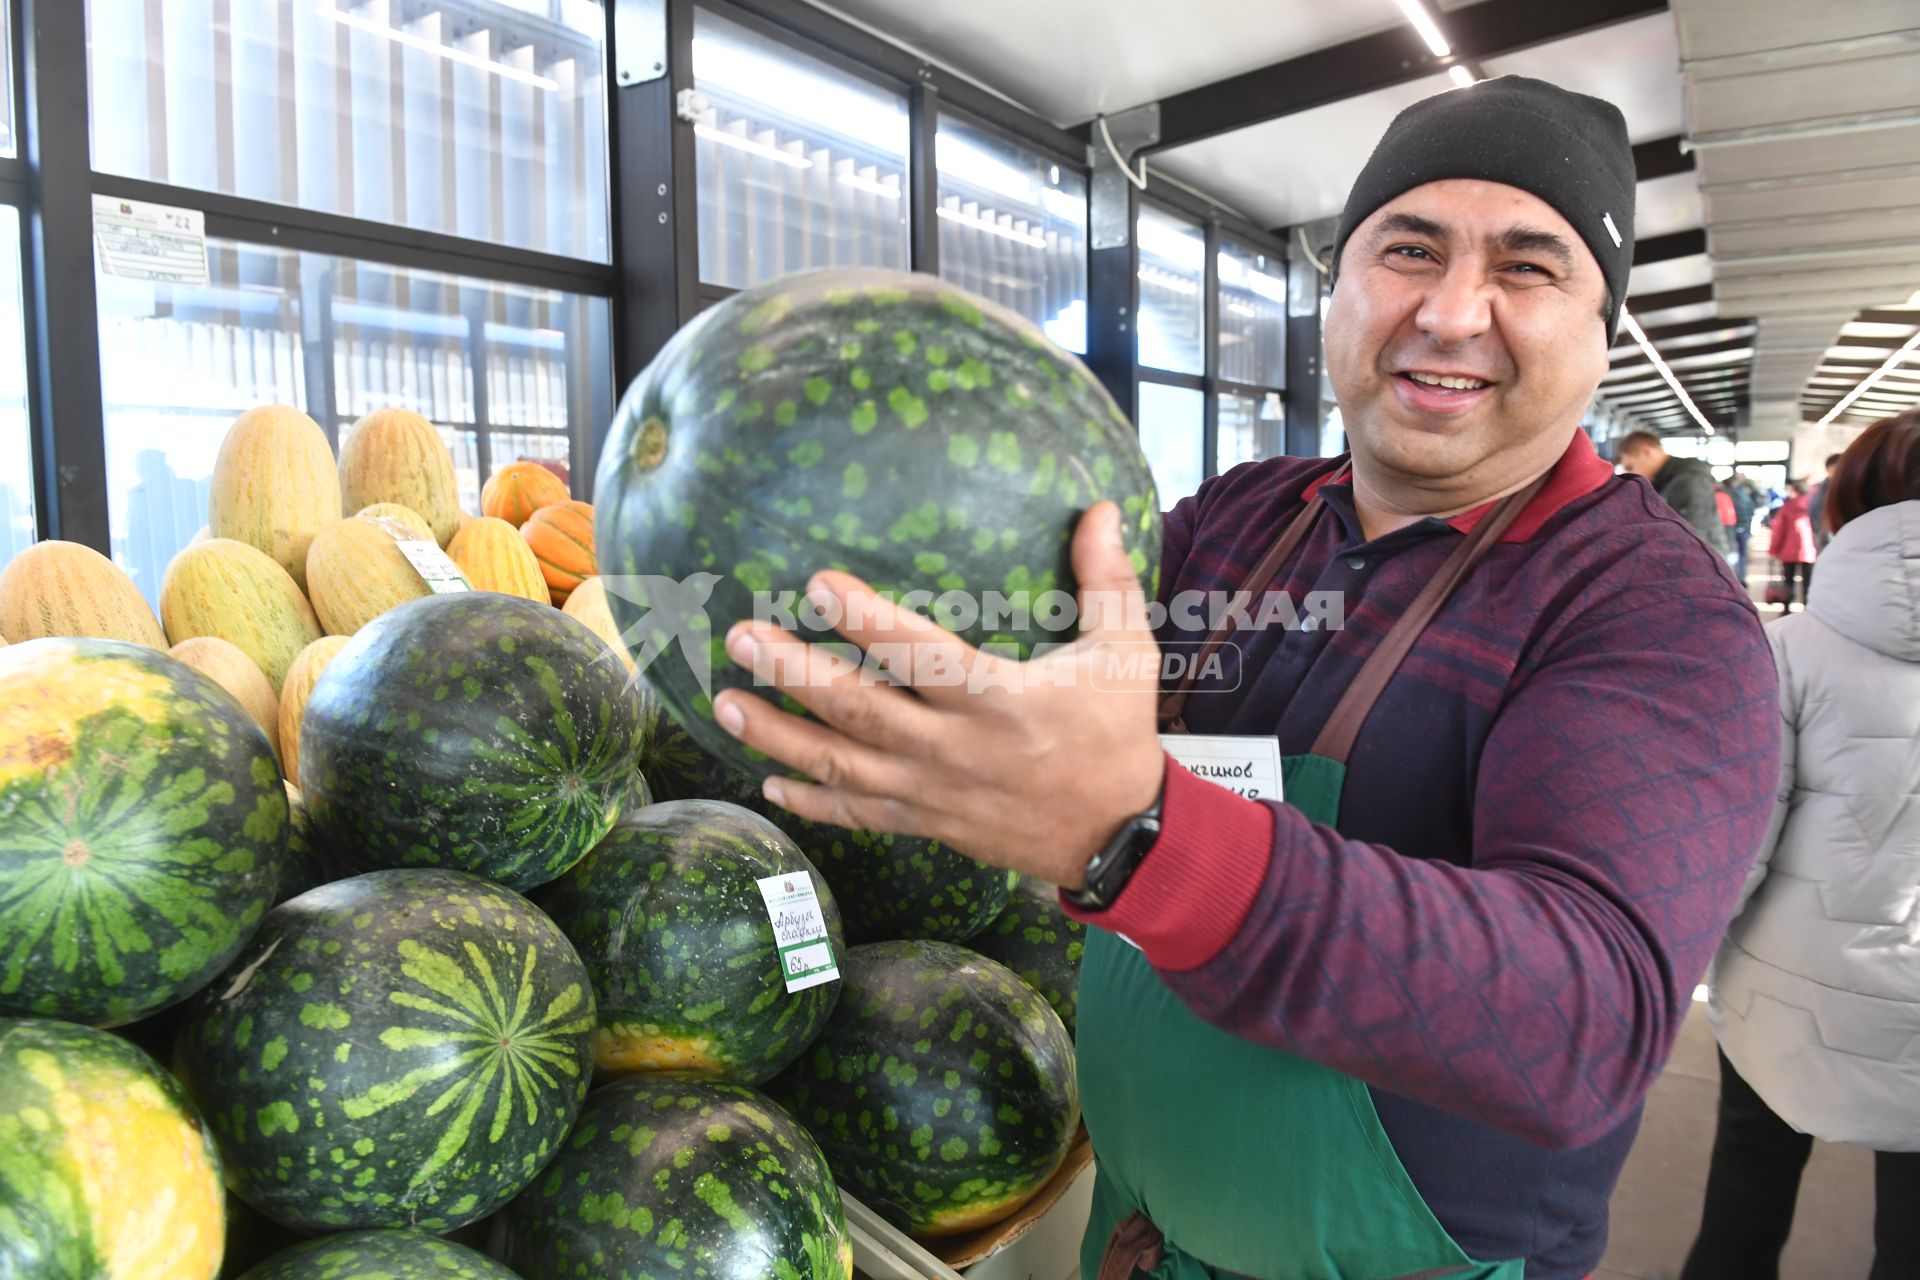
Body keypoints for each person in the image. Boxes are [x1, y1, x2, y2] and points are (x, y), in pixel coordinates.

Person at [709, 76, 1779, 1279]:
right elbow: (982, 626)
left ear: (1603, 330)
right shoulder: (1236, 521)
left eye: (1529, 268)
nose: (1451, 308)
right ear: (1341, 286)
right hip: (1140, 1236)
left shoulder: (1650, 613)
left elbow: (1585, 1026)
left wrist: (1140, 838)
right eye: (1408, 247)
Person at [1682, 410, 1920, 1280]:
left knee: (1748, 1185)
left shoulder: (1783, 651)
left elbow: (1735, 848)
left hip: (1789, 988)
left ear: (1842, 504)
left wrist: (1671, 963)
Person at [1618, 432, 1733, 558]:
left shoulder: (1689, 481)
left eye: (1630, 467)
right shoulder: (1671, 481)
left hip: (1701, 568)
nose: (1631, 474)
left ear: (1647, 452)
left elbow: (1695, 537)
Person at [1768, 478, 1816, 611]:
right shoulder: (1814, 506)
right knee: (1808, 582)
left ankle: (1786, 607)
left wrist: (1773, 550)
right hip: (1810, 550)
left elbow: (1778, 529)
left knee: (1788, 580)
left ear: (1795, 491)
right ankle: (1808, 608)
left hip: (1788, 549)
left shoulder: (1788, 506)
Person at [1725, 471, 1760, 584]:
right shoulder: (1744, 494)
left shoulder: (1726, 495)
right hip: (1744, 527)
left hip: (1730, 527)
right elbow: (1751, 510)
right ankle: (1742, 577)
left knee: (1731, 552)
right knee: (1742, 553)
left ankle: (1732, 578)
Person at [1807, 452, 1840, 551]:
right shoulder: (1826, 490)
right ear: (1829, 470)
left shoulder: (1827, 488)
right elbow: (1817, 515)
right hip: (1829, 539)